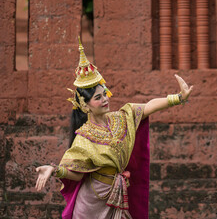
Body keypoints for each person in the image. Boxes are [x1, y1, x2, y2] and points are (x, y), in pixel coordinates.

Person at [34, 38, 193, 219]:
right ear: (86, 106)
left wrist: (179, 97)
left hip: (118, 195)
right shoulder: (84, 138)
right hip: (92, 203)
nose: (105, 100)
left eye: (105, 94)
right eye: (98, 98)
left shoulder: (123, 116)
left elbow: (150, 106)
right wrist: (53, 170)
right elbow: (77, 175)